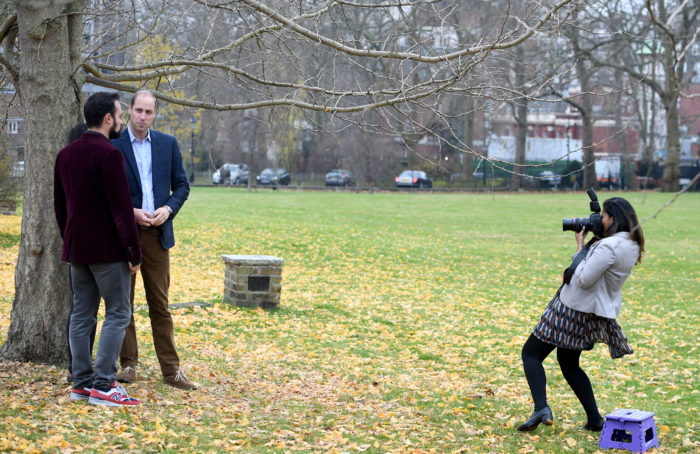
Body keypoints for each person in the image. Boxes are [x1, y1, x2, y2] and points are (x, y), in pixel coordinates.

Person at [518, 197, 645, 432]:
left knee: (531, 354)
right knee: (569, 363)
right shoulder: (632, 244)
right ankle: (595, 419)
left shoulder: (607, 247)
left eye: (604, 217)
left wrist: (580, 247)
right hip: (590, 312)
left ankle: (541, 408)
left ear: (614, 219)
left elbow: (584, 280)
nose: (600, 220)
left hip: (570, 309)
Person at [54, 92, 142, 406]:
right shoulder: (109, 155)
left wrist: (71, 238)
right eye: (119, 115)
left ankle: (81, 384)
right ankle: (104, 386)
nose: (121, 120)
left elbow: (60, 207)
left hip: (77, 249)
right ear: (108, 118)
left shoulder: (65, 155)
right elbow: (121, 210)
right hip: (108, 251)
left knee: (82, 315)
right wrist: (134, 254)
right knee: (118, 313)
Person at [111, 89, 197, 390]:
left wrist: (168, 209)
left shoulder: (168, 144)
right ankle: (128, 364)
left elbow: (182, 186)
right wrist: (130, 211)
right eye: (138, 111)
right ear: (129, 110)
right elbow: (107, 191)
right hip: (126, 236)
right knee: (124, 305)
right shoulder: (114, 145)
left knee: (160, 304)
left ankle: (171, 370)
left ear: (155, 114)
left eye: (149, 112)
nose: (143, 117)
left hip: (158, 235)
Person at [63, 122, 95, 385]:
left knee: (81, 309)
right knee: (84, 310)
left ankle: (78, 369)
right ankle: (79, 369)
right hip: (92, 247)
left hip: (76, 244)